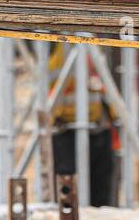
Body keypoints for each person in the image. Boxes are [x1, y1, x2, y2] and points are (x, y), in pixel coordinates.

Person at [48, 42, 117, 205]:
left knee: (99, 195)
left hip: (97, 127)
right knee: (68, 195)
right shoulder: (53, 44)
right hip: (65, 129)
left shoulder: (92, 43)